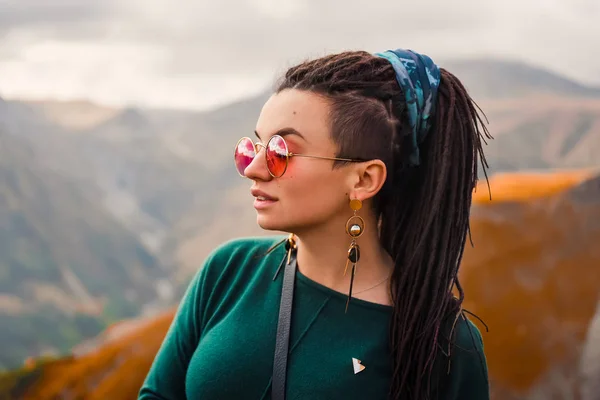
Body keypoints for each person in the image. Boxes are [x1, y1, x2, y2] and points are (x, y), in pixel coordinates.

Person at [139, 48, 491, 400]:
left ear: (364, 179)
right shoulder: (230, 270)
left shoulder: (444, 344)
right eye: (256, 146)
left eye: (281, 152)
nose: (252, 168)